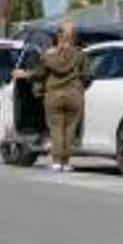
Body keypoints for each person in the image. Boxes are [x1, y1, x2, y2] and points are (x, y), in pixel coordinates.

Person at [16, 19, 90, 173]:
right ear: (74, 37)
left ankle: (56, 161)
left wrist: (23, 74)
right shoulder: (80, 55)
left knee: (56, 128)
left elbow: (39, 73)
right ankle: (66, 162)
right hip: (73, 95)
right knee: (70, 129)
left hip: (54, 96)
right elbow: (87, 75)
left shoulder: (49, 55)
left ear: (59, 36)